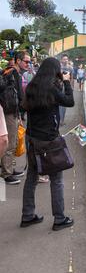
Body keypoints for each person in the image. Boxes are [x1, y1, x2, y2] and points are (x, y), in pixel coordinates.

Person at [21, 57, 75, 230]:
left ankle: (27, 216)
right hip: (48, 140)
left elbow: (24, 109)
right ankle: (59, 219)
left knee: (31, 177)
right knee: (57, 179)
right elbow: (69, 102)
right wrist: (66, 82)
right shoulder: (51, 89)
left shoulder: (31, 87)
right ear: (55, 71)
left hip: (31, 138)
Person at [0, 51, 30, 184]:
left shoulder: (8, 72)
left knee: (12, 141)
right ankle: (7, 173)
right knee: (11, 142)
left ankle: (9, 168)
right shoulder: (14, 74)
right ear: (18, 61)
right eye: (26, 61)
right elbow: (20, 97)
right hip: (10, 112)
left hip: (8, 111)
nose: (28, 64)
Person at [59, 54, 73, 126]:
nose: (65, 60)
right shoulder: (59, 67)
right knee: (59, 105)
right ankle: (59, 120)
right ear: (61, 60)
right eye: (64, 59)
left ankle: (62, 120)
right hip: (59, 87)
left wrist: (71, 87)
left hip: (66, 87)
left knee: (64, 105)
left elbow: (72, 78)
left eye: (66, 59)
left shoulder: (70, 68)